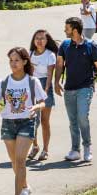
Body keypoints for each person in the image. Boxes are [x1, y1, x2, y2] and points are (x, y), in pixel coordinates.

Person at [0, 47, 48, 195]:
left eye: (16, 60)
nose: (13, 64)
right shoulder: (4, 82)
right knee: (14, 162)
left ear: (24, 62)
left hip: (26, 123)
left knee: (20, 160)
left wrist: (36, 106)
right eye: (11, 60)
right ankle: (25, 186)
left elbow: (43, 101)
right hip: (8, 122)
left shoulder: (32, 81)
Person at [55, 17, 97, 163]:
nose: (64, 30)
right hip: (69, 88)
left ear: (74, 29)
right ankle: (75, 150)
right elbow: (59, 65)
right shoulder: (65, 45)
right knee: (72, 120)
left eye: (67, 28)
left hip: (85, 87)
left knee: (82, 117)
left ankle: (87, 147)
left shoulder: (91, 45)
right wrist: (56, 82)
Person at [28, 29, 60, 161]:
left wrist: (45, 91)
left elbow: (49, 76)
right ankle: (35, 146)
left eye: (42, 38)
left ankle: (45, 150)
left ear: (47, 41)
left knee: (44, 121)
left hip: (44, 86)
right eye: (37, 38)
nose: (39, 41)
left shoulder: (50, 55)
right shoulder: (30, 54)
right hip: (32, 86)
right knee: (32, 120)